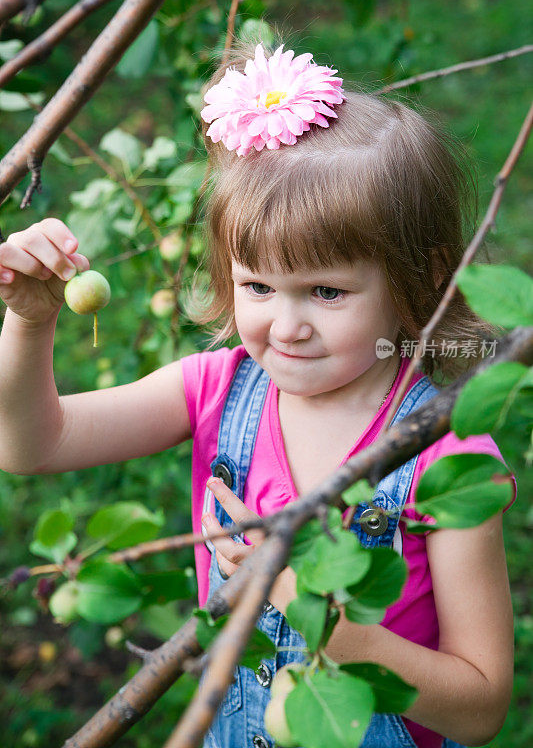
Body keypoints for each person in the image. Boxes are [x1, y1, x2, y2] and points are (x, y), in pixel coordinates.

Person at [0, 42, 515, 748]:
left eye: (327, 291)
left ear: (416, 280)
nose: (286, 325)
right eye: (258, 287)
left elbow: (481, 705)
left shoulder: (447, 456)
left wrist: (316, 615)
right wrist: (30, 322)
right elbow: (32, 445)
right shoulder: (216, 389)